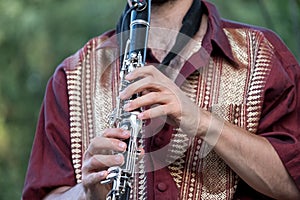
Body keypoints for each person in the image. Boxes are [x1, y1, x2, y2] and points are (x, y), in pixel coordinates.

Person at [22, 0, 300, 199]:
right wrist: (86, 192)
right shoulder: (72, 76)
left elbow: (292, 185)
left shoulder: (261, 54)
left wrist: (202, 121)